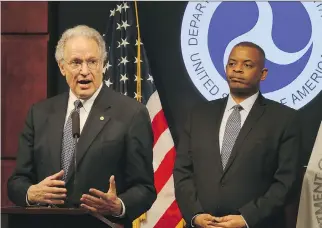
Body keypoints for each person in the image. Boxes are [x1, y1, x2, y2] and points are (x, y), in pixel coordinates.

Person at [7, 25, 156, 228]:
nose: (85, 71)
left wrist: (118, 205)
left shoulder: (131, 113)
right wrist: (31, 193)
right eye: (76, 63)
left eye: (92, 62)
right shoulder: (39, 113)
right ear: (62, 67)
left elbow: (145, 188)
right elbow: (17, 181)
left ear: (103, 64)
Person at [173, 42, 300, 228]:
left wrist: (247, 218)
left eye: (247, 65)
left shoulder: (284, 119)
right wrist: (195, 214)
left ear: (263, 74)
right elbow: (183, 171)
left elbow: (286, 183)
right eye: (232, 64)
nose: (237, 70)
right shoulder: (199, 115)